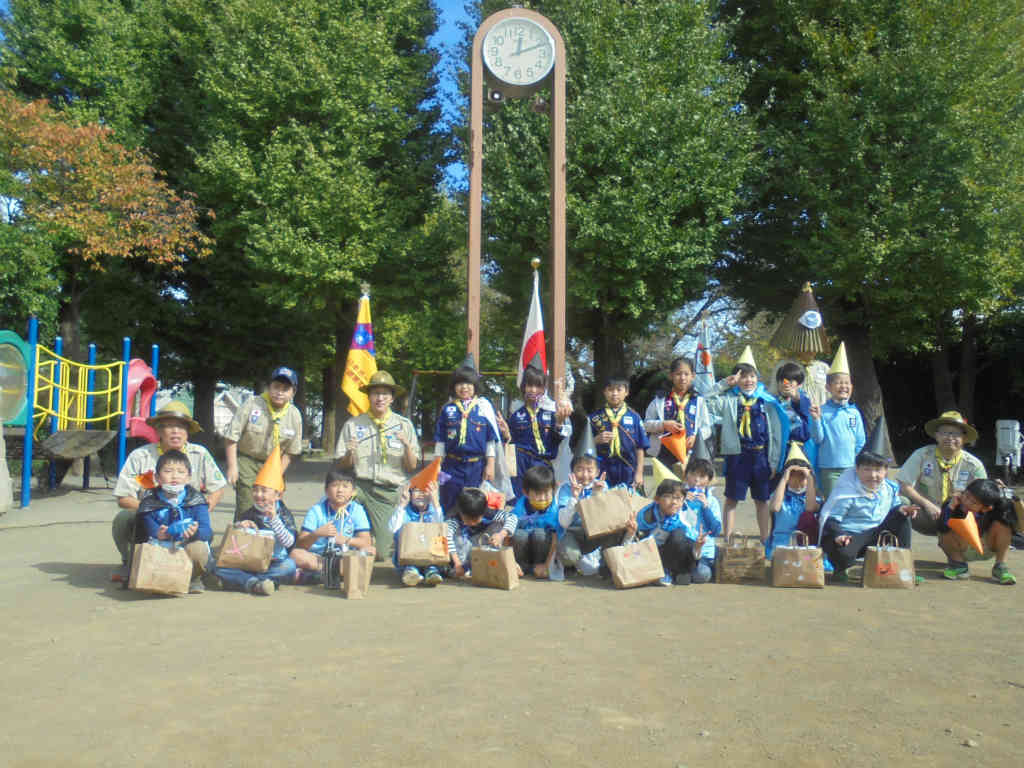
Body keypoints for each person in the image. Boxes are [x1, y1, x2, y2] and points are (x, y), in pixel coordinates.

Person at [111, 401, 226, 581]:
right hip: (149, 518)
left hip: (189, 517)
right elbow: (123, 497)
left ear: (188, 432)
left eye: (181, 427)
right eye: (169, 426)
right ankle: (132, 560)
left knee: (200, 536)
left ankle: (194, 573)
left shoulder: (200, 454)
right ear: (157, 431)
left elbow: (218, 487)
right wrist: (153, 511)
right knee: (123, 519)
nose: (175, 431)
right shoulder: (141, 456)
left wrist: (200, 510)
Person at [703, 347, 788, 541]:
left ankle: (765, 540)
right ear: (737, 379)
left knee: (762, 500)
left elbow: (775, 435)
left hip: (761, 457)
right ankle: (728, 539)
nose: (748, 380)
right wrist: (724, 384)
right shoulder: (729, 400)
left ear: (757, 378)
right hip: (737, 456)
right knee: (732, 499)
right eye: (743, 377)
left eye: (752, 376)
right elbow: (705, 400)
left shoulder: (768, 402)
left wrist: (774, 462)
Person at [335, 370, 419, 562]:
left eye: (385, 394)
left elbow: (411, 466)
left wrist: (407, 446)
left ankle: (373, 539)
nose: (380, 398)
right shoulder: (354, 425)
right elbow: (343, 465)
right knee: (339, 505)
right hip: (359, 487)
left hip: (387, 492)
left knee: (381, 553)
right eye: (375, 393)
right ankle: (344, 550)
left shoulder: (404, 425)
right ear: (368, 396)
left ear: (391, 398)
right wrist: (350, 453)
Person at [819, 449, 919, 582]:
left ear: (885, 471)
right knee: (842, 551)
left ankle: (903, 566)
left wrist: (903, 508)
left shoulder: (889, 488)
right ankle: (841, 568)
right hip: (851, 535)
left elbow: (894, 508)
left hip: (878, 534)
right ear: (857, 469)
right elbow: (830, 520)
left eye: (878, 470)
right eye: (867, 469)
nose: (873, 475)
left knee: (903, 517)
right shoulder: (846, 492)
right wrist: (839, 534)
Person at [214, 449, 298, 596]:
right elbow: (236, 543)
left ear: (278, 495)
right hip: (250, 562)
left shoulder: (284, 513)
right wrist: (241, 527)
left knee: (289, 566)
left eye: (264, 491)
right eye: (256, 490)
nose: (259, 495)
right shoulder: (249, 512)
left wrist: (274, 520)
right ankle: (256, 583)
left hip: (274, 562)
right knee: (219, 568)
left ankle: (247, 582)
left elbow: (290, 542)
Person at [224, 366, 303, 522]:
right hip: (248, 460)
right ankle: (242, 539)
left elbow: (291, 451)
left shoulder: (294, 415)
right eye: (276, 387)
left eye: (285, 389)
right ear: (269, 387)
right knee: (246, 502)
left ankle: (265, 539)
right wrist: (233, 467)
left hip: (273, 464)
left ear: (293, 392)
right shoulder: (253, 404)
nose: (279, 392)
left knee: (268, 503)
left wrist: (278, 474)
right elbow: (231, 437)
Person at [433, 355, 506, 514]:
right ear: (454, 387)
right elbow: (440, 440)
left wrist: (491, 464)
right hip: (452, 466)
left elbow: (490, 441)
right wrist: (437, 464)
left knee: (474, 505)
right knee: (449, 502)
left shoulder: (484, 408)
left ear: (475, 386)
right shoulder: (448, 409)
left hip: (476, 466)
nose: (464, 387)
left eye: (468, 383)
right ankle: (449, 535)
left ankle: (471, 535)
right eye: (460, 383)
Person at [136, 449, 213, 593]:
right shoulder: (150, 502)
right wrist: (158, 533)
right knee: (148, 550)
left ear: (189, 477)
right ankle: (155, 578)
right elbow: (146, 528)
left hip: (187, 545)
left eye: (180, 472)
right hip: (161, 545)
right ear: (157, 477)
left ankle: (194, 578)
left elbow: (207, 532)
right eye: (168, 471)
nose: (174, 476)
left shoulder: (196, 501)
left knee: (199, 549)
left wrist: (195, 533)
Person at [897, 411, 987, 535]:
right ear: (936, 435)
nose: (950, 438)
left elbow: (982, 496)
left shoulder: (974, 465)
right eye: (945, 432)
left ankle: (968, 550)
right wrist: (927, 505)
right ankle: (899, 548)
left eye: (956, 434)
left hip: (958, 518)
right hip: (925, 515)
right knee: (900, 502)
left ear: (964, 438)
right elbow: (904, 485)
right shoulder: (922, 455)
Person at [497, 355, 572, 499]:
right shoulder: (516, 414)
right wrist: (506, 434)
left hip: (543, 464)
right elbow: (510, 444)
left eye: (538, 386)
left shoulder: (551, 413)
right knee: (521, 500)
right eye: (529, 385)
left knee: (543, 500)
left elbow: (557, 442)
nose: (533, 390)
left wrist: (559, 423)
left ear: (544, 388)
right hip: (521, 464)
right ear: (523, 387)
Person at [291, 470, 376, 581]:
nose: (340, 490)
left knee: (370, 550)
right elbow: (301, 545)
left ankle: (322, 575)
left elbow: (366, 541)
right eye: (335, 485)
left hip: (347, 557)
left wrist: (346, 540)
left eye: (345, 486)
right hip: (319, 558)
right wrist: (316, 534)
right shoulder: (316, 510)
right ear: (326, 490)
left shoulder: (357, 510)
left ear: (353, 492)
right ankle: (339, 573)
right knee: (295, 554)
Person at [555, 430, 619, 575]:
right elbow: (563, 522)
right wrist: (575, 498)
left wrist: (596, 494)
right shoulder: (565, 488)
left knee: (616, 532)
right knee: (569, 555)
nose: (585, 475)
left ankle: (605, 565)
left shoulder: (602, 486)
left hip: (595, 534)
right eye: (579, 469)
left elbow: (605, 519)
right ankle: (572, 564)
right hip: (573, 533)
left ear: (597, 472)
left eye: (590, 470)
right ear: (572, 471)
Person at [630, 478, 713, 586]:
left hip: (679, 557)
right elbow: (632, 547)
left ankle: (676, 573)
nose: (674, 502)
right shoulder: (647, 516)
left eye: (678, 498)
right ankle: (666, 572)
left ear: (683, 501)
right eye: (668, 497)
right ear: (657, 499)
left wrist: (697, 547)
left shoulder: (686, 517)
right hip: (652, 557)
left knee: (703, 574)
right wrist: (631, 532)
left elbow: (690, 547)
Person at [809, 343, 866, 498]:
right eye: (839, 382)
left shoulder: (854, 412)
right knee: (831, 505)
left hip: (851, 468)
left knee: (850, 503)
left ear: (851, 387)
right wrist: (815, 420)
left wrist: (856, 463)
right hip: (829, 468)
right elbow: (817, 438)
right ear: (828, 387)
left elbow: (860, 441)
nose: (843, 386)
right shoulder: (821, 410)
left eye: (847, 383)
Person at [937, 478, 1017, 585]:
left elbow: (1018, 527)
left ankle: (1000, 566)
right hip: (961, 548)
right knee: (947, 526)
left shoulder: (997, 508)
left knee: (1004, 524)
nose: (967, 502)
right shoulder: (953, 502)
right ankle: (959, 566)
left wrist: (1011, 498)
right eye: (966, 496)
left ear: (986, 508)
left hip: (986, 547)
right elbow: (941, 529)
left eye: (973, 502)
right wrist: (950, 508)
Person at [644, 356, 712, 467]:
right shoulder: (659, 400)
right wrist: (663, 425)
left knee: (690, 484)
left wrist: (696, 436)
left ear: (693, 376)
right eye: (678, 374)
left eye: (686, 374)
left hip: (690, 452)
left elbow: (707, 428)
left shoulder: (698, 400)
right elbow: (645, 425)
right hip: (664, 452)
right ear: (671, 376)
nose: (682, 378)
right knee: (667, 484)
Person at [589, 374, 649, 489]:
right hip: (603, 468)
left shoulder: (634, 417)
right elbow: (585, 446)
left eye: (619, 390)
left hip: (628, 468)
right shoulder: (594, 418)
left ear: (626, 392)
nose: (614, 393)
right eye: (610, 389)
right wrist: (595, 440)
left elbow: (640, 447)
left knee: (627, 502)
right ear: (604, 392)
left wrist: (639, 473)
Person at [445, 487, 519, 580]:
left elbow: (512, 518)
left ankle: (499, 560)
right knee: (451, 533)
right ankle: (462, 569)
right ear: (461, 512)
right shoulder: (453, 519)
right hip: (463, 551)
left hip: (483, 543)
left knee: (500, 524)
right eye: (468, 519)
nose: (472, 523)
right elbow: (448, 538)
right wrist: (457, 563)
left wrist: (501, 535)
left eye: (476, 519)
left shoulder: (487, 513)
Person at [766, 443, 821, 558]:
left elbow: (810, 508)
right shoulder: (780, 496)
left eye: (802, 476)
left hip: (805, 545)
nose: (798, 479)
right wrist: (785, 477)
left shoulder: (812, 497)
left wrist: (809, 477)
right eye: (793, 475)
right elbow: (775, 507)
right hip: (782, 544)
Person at [388, 480, 445, 587]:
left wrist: (436, 502)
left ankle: (432, 572)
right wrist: (402, 504)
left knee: (438, 533)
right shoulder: (405, 511)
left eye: (425, 491)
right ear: (410, 493)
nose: (421, 494)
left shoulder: (433, 510)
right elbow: (393, 528)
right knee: (402, 530)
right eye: (417, 490)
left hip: (430, 556)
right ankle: (411, 572)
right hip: (409, 558)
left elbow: (441, 528)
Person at [510, 464, 562, 578]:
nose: (543, 498)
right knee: (519, 535)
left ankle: (539, 566)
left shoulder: (554, 511)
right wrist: (511, 563)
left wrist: (547, 565)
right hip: (523, 551)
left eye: (547, 493)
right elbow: (506, 535)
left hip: (543, 552)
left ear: (554, 490)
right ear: (525, 492)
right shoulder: (520, 508)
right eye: (538, 494)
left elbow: (555, 540)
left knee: (540, 534)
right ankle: (521, 566)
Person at [680, 449, 723, 583]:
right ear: (686, 476)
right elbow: (671, 522)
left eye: (702, 476)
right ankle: (682, 571)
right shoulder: (679, 497)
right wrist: (682, 503)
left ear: (709, 480)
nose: (697, 479)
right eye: (693, 474)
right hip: (684, 549)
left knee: (702, 575)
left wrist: (706, 507)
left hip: (704, 553)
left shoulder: (712, 501)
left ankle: (687, 572)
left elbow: (716, 530)